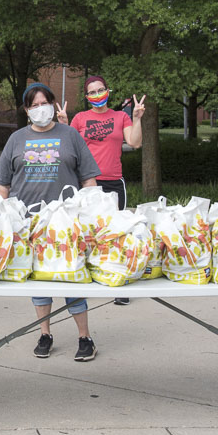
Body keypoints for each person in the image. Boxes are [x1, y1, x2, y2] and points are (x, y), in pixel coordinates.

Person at [0, 82, 102, 361]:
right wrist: (2, 217)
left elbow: (88, 179)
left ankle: (85, 338)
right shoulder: (16, 139)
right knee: (39, 283)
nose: (40, 109)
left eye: (44, 103)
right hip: (29, 223)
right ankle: (45, 334)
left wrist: (92, 213)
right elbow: (3, 185)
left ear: (53, 105)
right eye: (34, 105)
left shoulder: (70, 135)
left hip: (67, 224)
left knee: (71, 279)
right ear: (26, 110)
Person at [60, 75, 146, 306]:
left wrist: (136, 119)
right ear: (87, 97)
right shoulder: (80, 118)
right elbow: (69, 148)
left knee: (117, 233)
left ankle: (119, 282)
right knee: (86, 233)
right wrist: (64, 125)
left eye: (100, 90)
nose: (97, 95)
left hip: (113, 181)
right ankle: (85, 278)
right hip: (87, 182)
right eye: (92, 92)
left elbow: (135, 142)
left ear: (108, 90)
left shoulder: (120, 117)